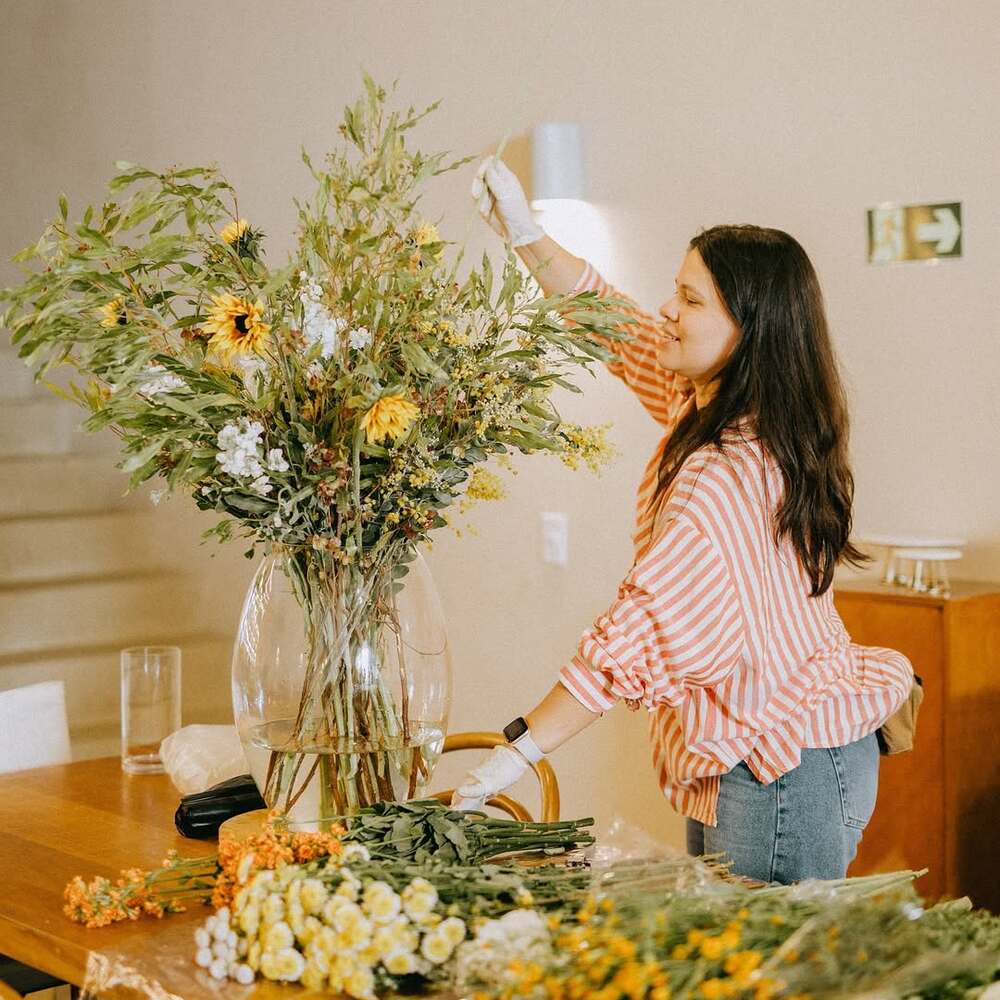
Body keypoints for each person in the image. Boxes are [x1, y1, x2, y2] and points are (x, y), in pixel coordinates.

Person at [452, 159, 916, 885]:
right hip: (766, 749)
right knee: (720, 942)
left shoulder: (725, 473)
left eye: (690, 299)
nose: (667, 309)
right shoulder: (718, 403)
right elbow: (616, 326)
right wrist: (526, 235)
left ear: (749, 331)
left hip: (780, 768)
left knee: (761, 956)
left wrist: (517, 750)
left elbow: (634, 633)